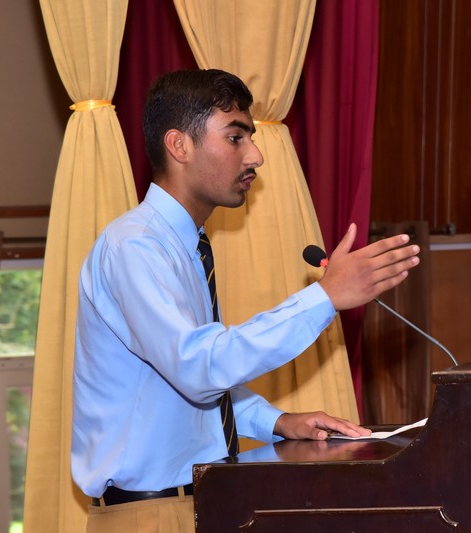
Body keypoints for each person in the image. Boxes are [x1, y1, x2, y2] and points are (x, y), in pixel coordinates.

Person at [71, 68, 420, 532]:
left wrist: (277, 421)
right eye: (236, 137)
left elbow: (179, 390)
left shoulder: (185, 245)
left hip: (202, 503)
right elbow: (198, 368)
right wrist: (324, 297)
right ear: (179, 146)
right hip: (151, 515)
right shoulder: (134, 247)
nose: (255, 155)